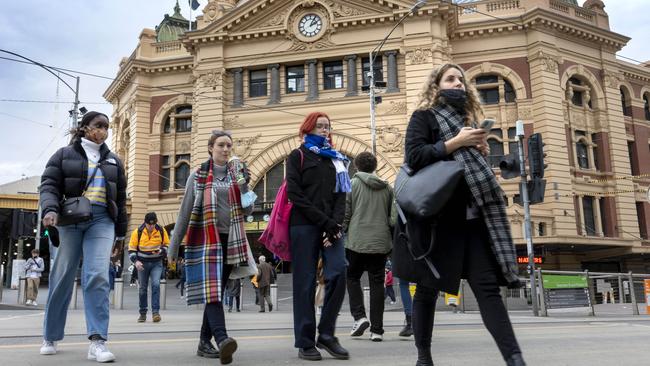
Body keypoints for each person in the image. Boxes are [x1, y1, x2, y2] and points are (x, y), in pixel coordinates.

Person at [396, 63, 525, 366]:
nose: (458, 83)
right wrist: (455, 143)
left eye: (461, 80)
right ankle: (424, 357)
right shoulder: (424, 117)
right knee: (426, 291)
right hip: (438, 222)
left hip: (474, 221)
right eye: (450, 79)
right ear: (436, 86)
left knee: (488, 290)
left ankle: (515, 359)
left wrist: (475, 151)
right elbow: (414, 158)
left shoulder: (468, 121)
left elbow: (466, 172)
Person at [38, 111, 127, 362]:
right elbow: (49, 185)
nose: (103, 131)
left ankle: (98, 341)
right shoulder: (64, 155)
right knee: (62, 276)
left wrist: (120, 234)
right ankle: (50, 335)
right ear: (85, 127)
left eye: (107, 127)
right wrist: (51, 209)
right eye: (99, 126)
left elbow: (120, 198)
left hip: (102, 220)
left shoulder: (114, 161)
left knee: (97, 275)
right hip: (71, 219)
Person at [169, 130, 255, 365]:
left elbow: (248, 211)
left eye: (229, 145)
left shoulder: (236, 175)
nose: (226, 149)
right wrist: (173, 248)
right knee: (214, 291)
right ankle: (222, 337)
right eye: (221, 145)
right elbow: (185, 212)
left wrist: (244, 186)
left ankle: (203, 343)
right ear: (210, 148)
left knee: (215, 292)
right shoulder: (197, 175)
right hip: (206, 241)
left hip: (232, 241)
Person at [286, 112, 350, 361]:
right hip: (303, 226)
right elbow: (295, 194)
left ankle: (326, 334)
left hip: (330, 227)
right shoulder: (298, 156)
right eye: (320, 126)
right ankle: (305, 341)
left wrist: (334, 226)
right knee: (305, 282)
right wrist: (325, 222)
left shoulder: (337, 159)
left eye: (328, 126)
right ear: (308, 129)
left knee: (338, 272)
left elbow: (341, 196)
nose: (325, 130)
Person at [342, 151, 395, 342]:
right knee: (377, 283)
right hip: (380, 242)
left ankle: (359, 316)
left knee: (352, 277)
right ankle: (377, 330)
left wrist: (341, 231)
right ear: (375, 167)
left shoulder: (352, 185)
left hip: (356, 241)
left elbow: (346, 214)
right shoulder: (387, 188)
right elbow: (392, 218)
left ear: (356, 167)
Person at [128, 212, 169, 323]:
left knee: (156, 284)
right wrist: (136, 262)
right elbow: (131, 250)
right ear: (145, 223)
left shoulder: (161, 230)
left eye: (153, 224)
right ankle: (143, 313)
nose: (151, 226)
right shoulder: (138, 232)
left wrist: (162, 250)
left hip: (157, 263)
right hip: (142, 264)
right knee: (142, 289)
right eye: (149, 224)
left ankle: (156, 313)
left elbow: (167, 245)